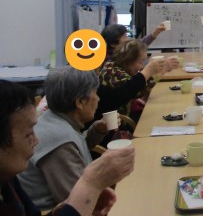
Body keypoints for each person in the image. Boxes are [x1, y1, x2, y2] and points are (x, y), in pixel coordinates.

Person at [0, 79, 135, 216]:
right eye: (28, 134)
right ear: (80, 102)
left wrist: (56, 213)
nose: (36, 140)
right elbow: (73, 195)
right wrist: (91, 185)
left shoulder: (8, 181)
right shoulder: (58, 138)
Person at [18, 69, 110, 209]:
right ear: (80, 102)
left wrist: (97, 131)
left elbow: (75, 148)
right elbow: (78, 202)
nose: (98, 99)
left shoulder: (53, 118)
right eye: (95, 93)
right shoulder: (59, 139)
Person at [96, 39, 177, 122]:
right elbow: (140, 89)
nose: (142, 66)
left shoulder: (111, 65)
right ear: (128, 60)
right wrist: (157, 71)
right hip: (116, 123)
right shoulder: (116, 74)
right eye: (141, 61)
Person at [100, 23, 167, 65]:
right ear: (112, 44)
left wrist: (156, 32)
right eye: (123, 37)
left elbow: (140, 43)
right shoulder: (110, 62)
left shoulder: (125, 49)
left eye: (126, 35)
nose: (127, 39)